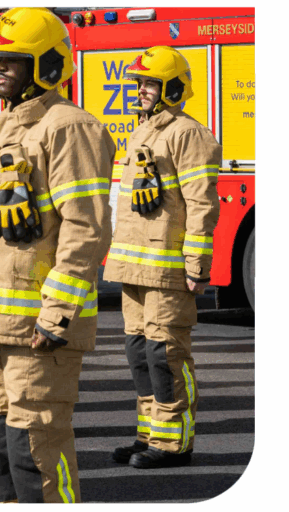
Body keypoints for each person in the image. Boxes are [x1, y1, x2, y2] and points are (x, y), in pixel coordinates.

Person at [0, 8, 115, 503]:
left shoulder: (70, 128)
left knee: (34, 442)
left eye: (12, 59)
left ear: (44, 64)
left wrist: (57, 312)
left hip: (35, 325)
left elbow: (86, 228)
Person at [103, 46, 220, 469]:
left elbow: (201, 202)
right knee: (138, 352)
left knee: (165, 353)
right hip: (134, 265)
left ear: (172, 88)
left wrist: (196, 264)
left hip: (166, 267)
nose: (142, 91)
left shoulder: (188, 134)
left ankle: (175, 444)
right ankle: (150, 435)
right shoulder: (142, 131)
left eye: (150, 84)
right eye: (140, 83)